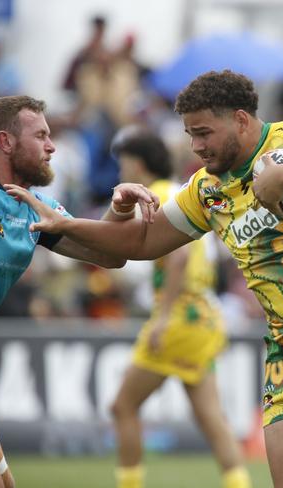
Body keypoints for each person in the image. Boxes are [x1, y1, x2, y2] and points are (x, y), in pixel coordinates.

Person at [6, 69, 283, 488]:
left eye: (204, 133)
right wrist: (80, 221)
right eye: (189, 134)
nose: (195, 146)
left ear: (240, 120)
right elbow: (137, 245)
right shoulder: (205, 190)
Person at [0, 95, 154, 488]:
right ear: (6, 142)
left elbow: (111, 256)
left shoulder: (36, 209)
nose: (52, 146)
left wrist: (118, 208)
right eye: (42, 135)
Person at [108, 126, 251, 488]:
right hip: (204, 316)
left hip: (179, 317)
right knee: (210, 417)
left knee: (123, 407)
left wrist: (164, 316)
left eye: (125, 163)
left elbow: (179, 258)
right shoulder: (185, 193)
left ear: (138, 165)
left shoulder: (152, 196)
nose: (122, 171)